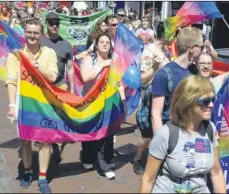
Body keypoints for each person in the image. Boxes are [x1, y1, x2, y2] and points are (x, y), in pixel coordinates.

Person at [140, 75, 226, 193]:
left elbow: (216, 173)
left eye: (212, 99)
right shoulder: (166, 133)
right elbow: (148, 179)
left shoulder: (210, 129)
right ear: (188, 102)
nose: (211, 105)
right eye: (205, 101)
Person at [6, 18, 58, 193]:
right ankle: (28, 172)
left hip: (44, 104)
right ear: (24, 33)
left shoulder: (49, 53)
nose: (32, 36)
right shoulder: (15, 55)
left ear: (42, 35)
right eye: (29, 32)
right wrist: (12, 105)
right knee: (26, 141)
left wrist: (33, 65)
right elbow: (11, 81)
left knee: (45, 142)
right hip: (24, 105)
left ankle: (42, 178)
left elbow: (52, 77)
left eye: (36, 33)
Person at [80, 33, 126, 180]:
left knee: (106, 134)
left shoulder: (114, 61)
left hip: (109, 103)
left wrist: (123, 103)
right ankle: (87, 157)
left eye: (108, 42)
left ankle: (106, 165)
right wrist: (101, 65)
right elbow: (86, 77)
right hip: (91, 103)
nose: (105, 44)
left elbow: (119, 83)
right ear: (96, 44)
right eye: (102, 42)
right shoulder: (88, 59)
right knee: (90, 135)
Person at [133, 22, 172, 175]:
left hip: (165, 96)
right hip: (152, 96)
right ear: (166, 35)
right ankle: (137, 158)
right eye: (173, 34)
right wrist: (155, 67)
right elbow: (142, 79)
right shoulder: (149, 52)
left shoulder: (166, 50)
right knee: (147, 134)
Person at [151, 27, 203, 135]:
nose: (203, 50)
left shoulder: (195, 70)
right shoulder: (164, 75)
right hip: (172, 135)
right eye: (201, 47)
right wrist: (161, 144)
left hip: (192, 133)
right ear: (192, 48)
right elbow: (155, 114)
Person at [41, 12, 75, 163]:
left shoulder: (66, 44)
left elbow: (70, 68)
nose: (54, 26)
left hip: (60, 85)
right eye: (51, 23)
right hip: (41, 86)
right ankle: (46, 140)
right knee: (45, 115)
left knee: (60, 116)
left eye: (57, 23)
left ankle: (58, 144)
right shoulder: (39, 41)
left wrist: (72, 89)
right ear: (46, 23)